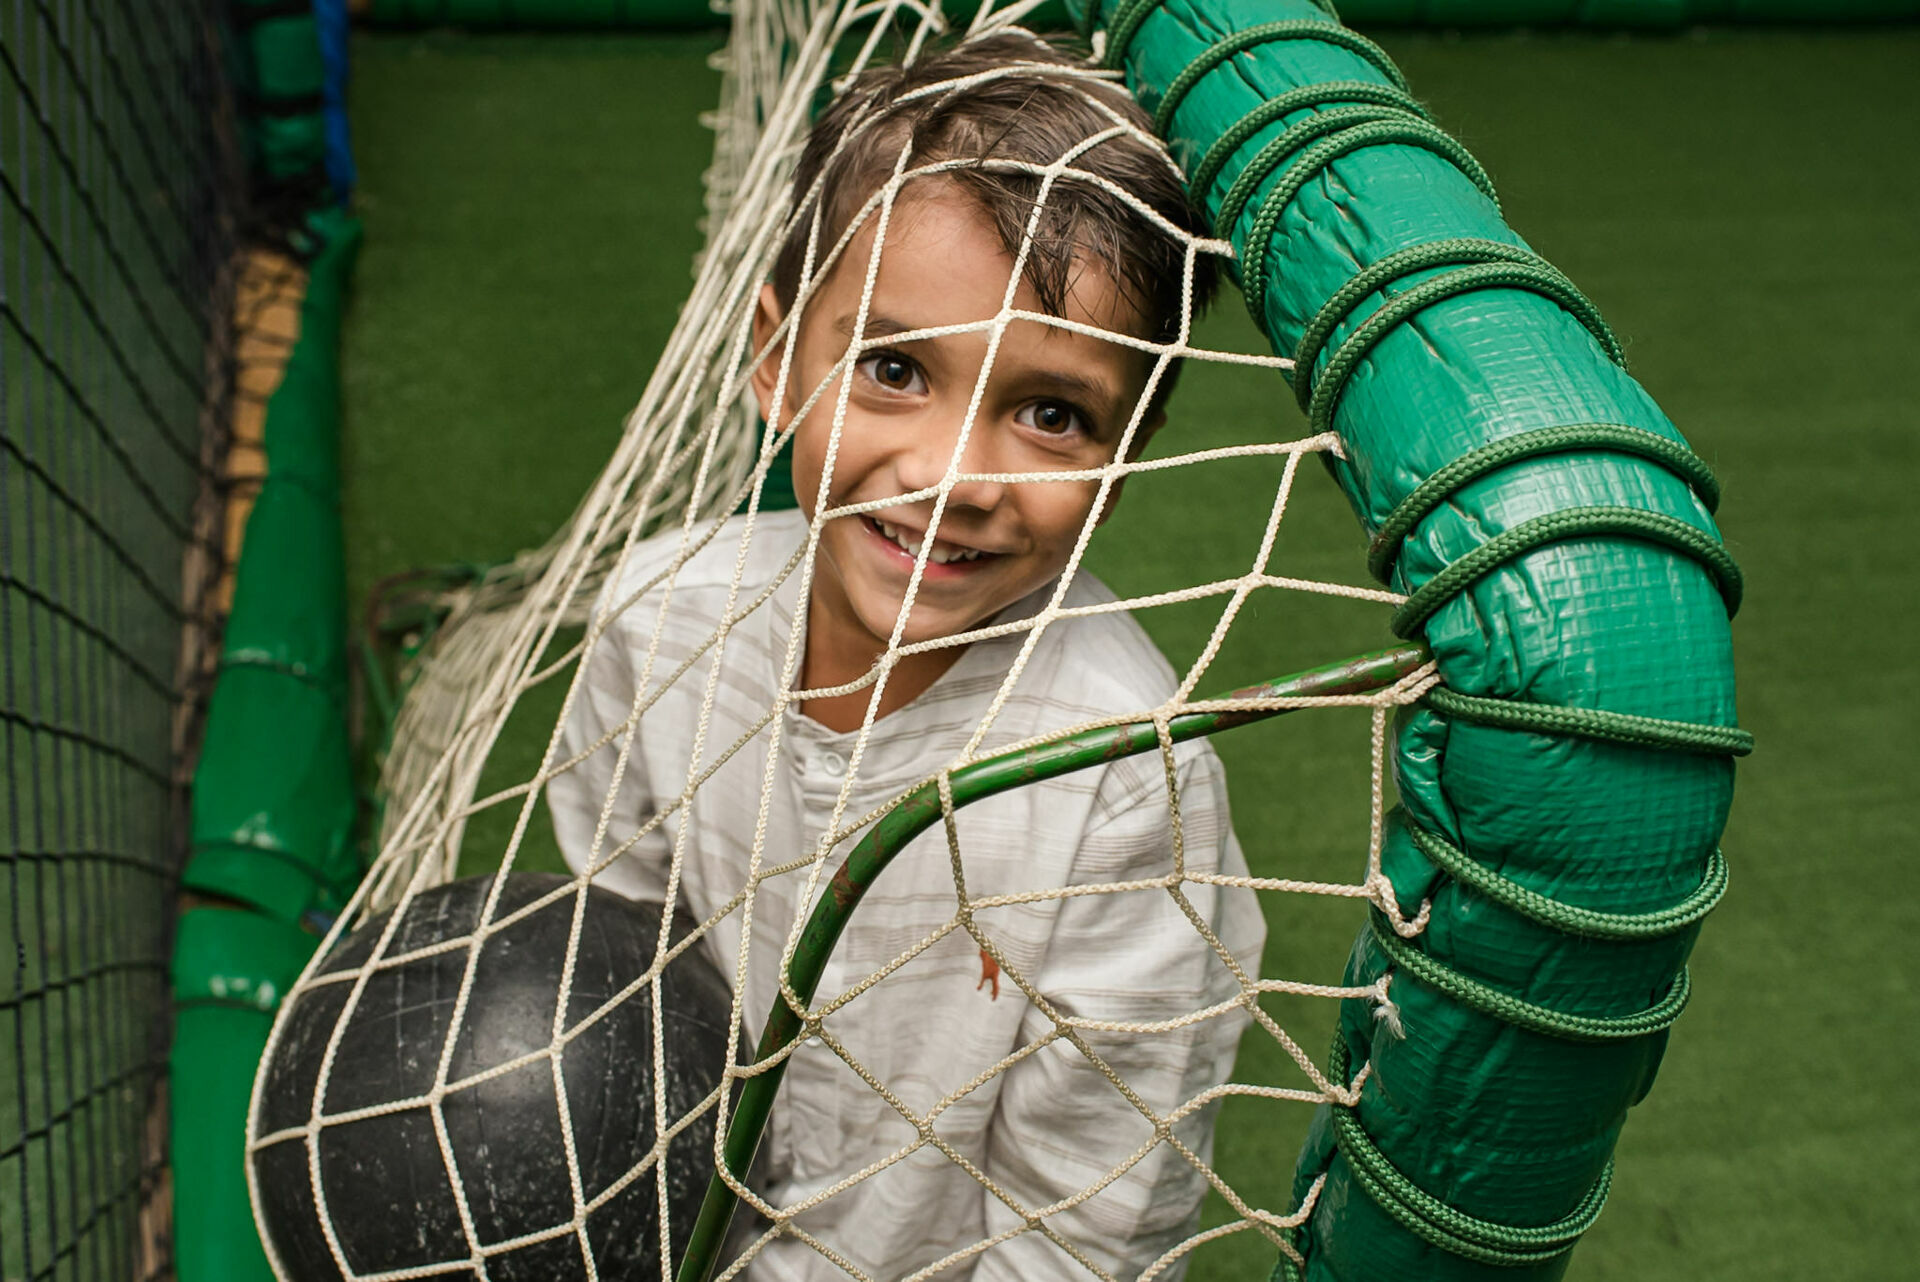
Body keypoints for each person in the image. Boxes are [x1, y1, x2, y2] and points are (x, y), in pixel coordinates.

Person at [549, 32, 1265, 1281]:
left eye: (1050, 413)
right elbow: (593, 975)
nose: (951, 479)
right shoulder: (661, 612)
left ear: (1130, 444)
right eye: (893, 371)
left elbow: (1093, 1222)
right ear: (779, 359)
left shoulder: (1118, 773)